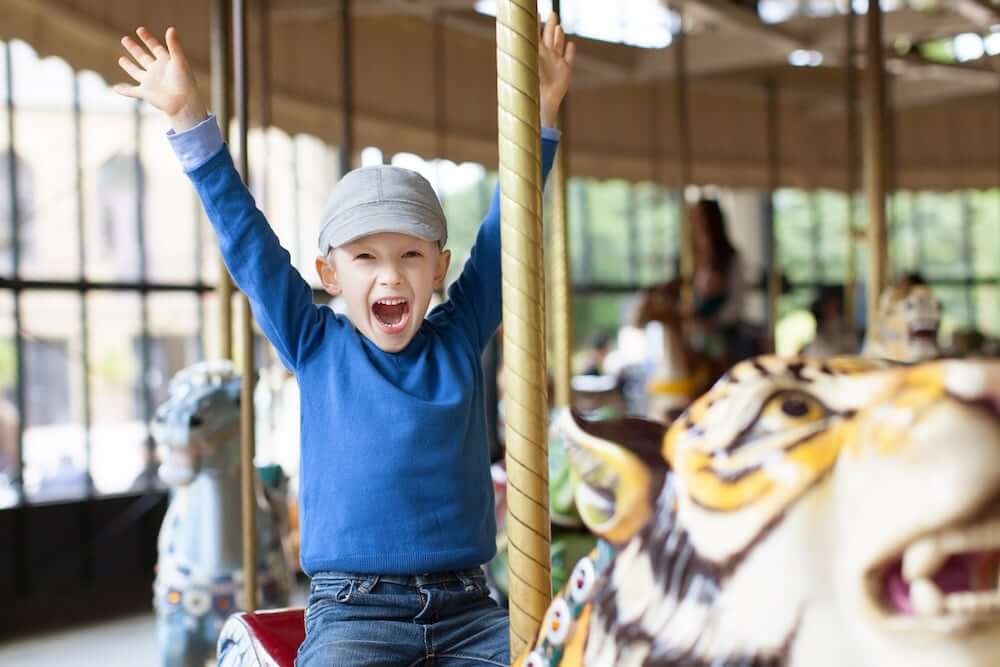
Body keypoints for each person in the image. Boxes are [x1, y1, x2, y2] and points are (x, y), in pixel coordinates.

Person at [113, 17, 574, 666]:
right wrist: (191, 119)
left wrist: (545, 112)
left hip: (472, 608)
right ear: (329, 274)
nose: (391, 274)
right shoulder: (314, 341)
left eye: (411, 254)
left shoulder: (460, 332)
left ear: (439, 269)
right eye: (365, 257)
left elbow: (507, 234)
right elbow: (250, 246)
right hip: (357, 611)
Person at [688, 198, 747, 366]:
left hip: (722, 332)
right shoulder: (690, 259)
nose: (695, 223)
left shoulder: (730, 258)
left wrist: (714, 322)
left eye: (699, 217)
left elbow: (737, 302)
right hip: (696, 332)